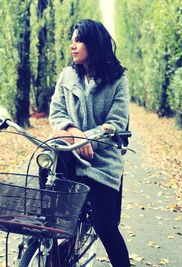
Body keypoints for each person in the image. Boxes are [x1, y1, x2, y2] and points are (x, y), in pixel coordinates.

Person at [49, 19, 130, 267]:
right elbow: (56, 112)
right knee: (53, 222)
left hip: (102, 163)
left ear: (93, 44)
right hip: (70, 157)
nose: (72, 46)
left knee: (106, 227)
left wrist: (90, 137)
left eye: (78, 40)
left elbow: (116, 123)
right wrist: (74, 131)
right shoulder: (67, 75)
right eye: (71, 40)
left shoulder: (118, 81)